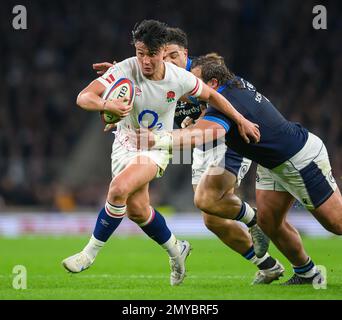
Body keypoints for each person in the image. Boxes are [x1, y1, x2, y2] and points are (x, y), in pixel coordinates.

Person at [62, 20, 260, 286]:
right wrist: (105, 102)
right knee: (137, 210)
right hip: (124, 143)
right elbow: (83, 97)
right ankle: (177, 249)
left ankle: (88, 254)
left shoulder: (179, 78)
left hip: (154, 147)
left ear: (163, 51)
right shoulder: (125, 69)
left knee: (119, 189)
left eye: (151, 55)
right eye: (140, 53)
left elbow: (214, 96)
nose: (144, 60)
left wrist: (240, 119)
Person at [136, 55, 342, 285]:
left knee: (336, 224)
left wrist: (156, 139)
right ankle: (307, 273)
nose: (189, 87)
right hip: (271, 163)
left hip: (300, 159)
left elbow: (203, 134)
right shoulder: (231, 86)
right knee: (269, 223)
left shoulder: (222, 105)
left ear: (212, 83)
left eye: (193, 81)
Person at [163, 28, 283, 284]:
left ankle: (256, 220)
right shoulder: (163, 79)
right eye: (164, 57)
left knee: (206, 199)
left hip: (228, 140)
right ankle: (268, 266)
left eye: (173, 55)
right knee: (211, 217)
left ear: (185, 53)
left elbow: (226, 97)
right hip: (202, 145)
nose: (169, 62)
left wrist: (231, 119)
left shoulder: (204, 70)